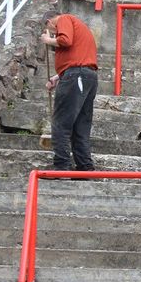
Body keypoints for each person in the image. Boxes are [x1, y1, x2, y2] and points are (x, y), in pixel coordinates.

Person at [40, 10, 99, 173]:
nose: (53, 32)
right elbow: (77, 57)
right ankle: (85, 168)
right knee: (81, 126)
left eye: (50, 29)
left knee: (61, 123)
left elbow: (65, 41)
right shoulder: (77, 25)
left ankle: (62, 167)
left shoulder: (64, 19)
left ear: (49, 22)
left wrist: (48, 39)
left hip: (76, 75)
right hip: (86, 76)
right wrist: (58, 77)